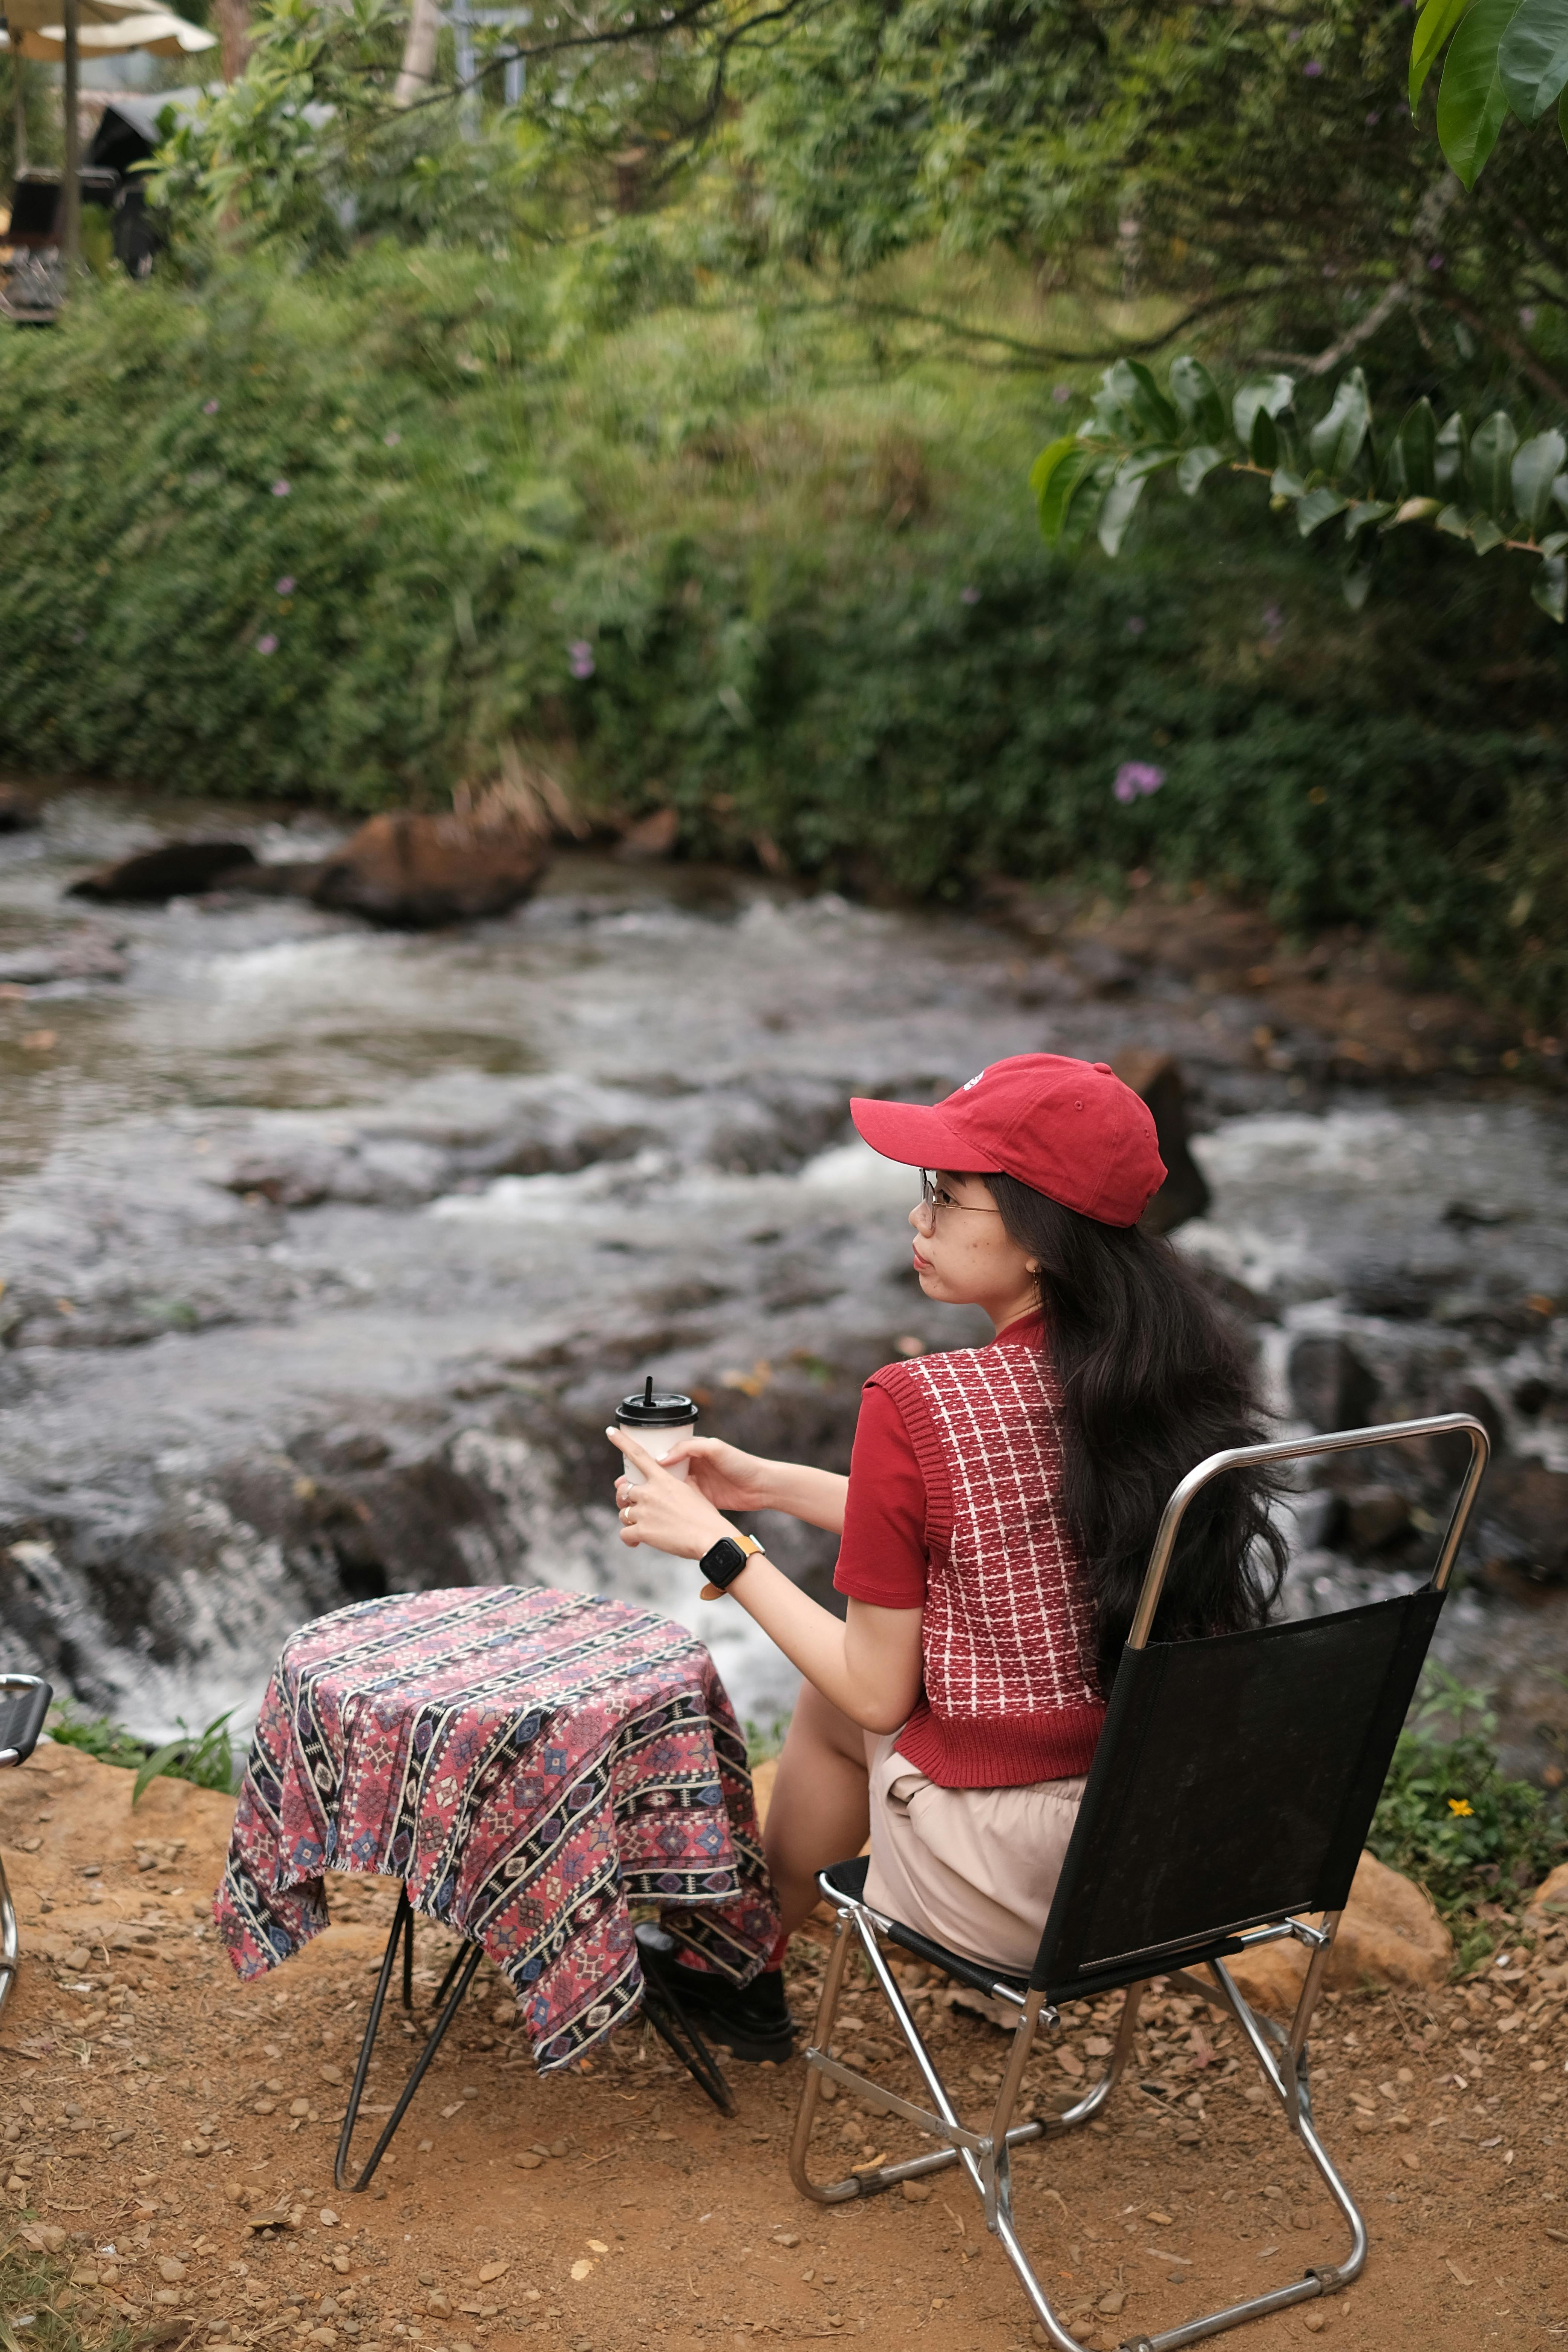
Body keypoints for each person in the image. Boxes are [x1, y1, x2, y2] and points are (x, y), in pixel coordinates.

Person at [608, 1053, 1285, 2063]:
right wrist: (771, 1484)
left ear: (1043, 1232)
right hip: (1176, 1842)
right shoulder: (1164, 1373)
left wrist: (721, 1548)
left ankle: (740, 1967)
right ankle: (734, 1964)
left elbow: (879, 1694)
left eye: (948, 1194)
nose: (917, 1220)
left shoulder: (918, 1403)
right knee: (850, 1699)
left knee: (838, 1703)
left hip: (1018, 1887)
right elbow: (994, 1530)